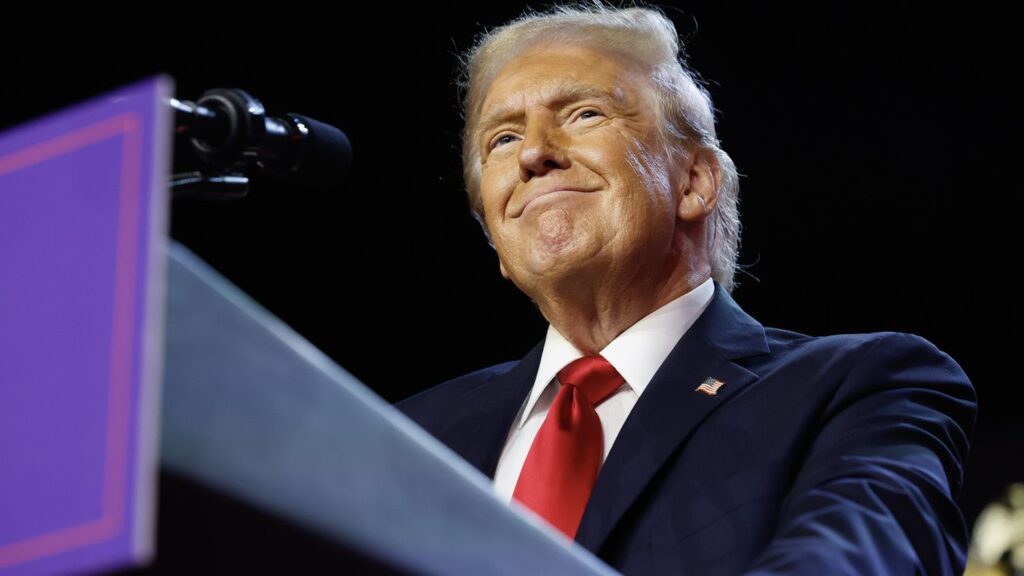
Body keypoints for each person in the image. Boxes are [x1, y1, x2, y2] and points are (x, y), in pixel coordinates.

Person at [398, 5, 976, 574]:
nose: (532, 153)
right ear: (495, 237)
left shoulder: (855, 389)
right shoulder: (408, 436)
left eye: (584, 114)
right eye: (502, 138)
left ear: (695, 183)